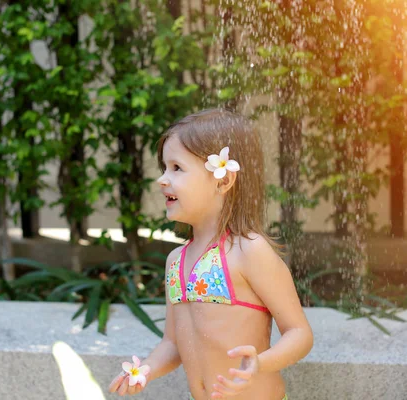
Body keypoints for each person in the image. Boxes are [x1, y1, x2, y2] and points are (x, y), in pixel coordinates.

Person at [108, 108, 313, 400]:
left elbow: (300, 333)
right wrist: (147, 369)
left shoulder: (247, 250)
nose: (162, 179)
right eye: (164, 168)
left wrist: (260, 363)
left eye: (177, 168)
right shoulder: (176, 261)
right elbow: (174, 343)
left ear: (223, 180)